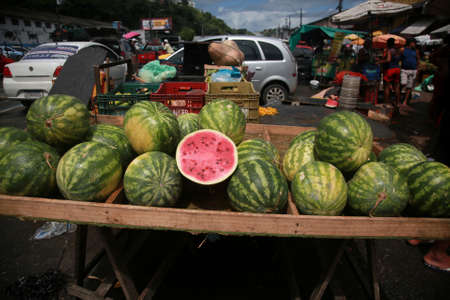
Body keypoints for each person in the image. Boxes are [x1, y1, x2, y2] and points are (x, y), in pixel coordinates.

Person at [377, 38, 401, 109]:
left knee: (386, 87)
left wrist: (379, 61)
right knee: (396, 87)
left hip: (389, 70)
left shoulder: (389, 50)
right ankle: (397, 103)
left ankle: (386, 103)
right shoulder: (397, 51)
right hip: (397, 69)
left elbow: (388, 60)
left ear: (388, 43)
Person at [400, 38, 420, 110]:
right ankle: (398, 97)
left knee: (409, 86)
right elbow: (399, 58)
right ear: (410, 43)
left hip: (413, 70)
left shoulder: (416, 51)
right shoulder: (403, 50)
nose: (415, 44)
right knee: (403, 84)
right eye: (414, 43)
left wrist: (417, 70)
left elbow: (418, 60)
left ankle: (405, 101)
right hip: (404, 70)